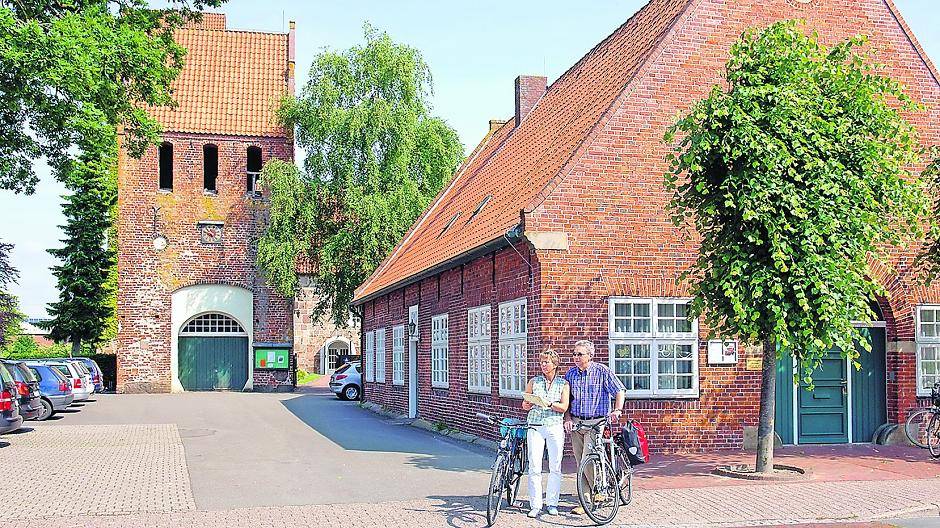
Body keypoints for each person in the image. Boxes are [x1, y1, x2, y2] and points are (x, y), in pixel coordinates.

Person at [563, 339, 626, 516]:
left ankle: (599, 489)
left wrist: (617, 409)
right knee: (580, 462)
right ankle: (585, 501)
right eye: (574, 354)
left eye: (580, 354)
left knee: (587, 458)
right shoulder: (570, 374)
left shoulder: (602, 371)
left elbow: (619, 390)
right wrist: (567, 418)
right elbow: (566, 400)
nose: (576, 357)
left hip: (596, 423)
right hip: (577, 423)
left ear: (590, 355)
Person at [521, 349, 570, 519]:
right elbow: (525, 404)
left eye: (546, 362)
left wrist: (549, 404)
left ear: (555, 364)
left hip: (554, 426)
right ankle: (535, 505)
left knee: (555, 466)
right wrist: (527, 404)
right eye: (542, 362)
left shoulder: (563, 384)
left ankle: (552, 503)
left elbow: (564, 407)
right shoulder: (534, 382)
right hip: (535, 426)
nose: (543, 365)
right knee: (534, 466)